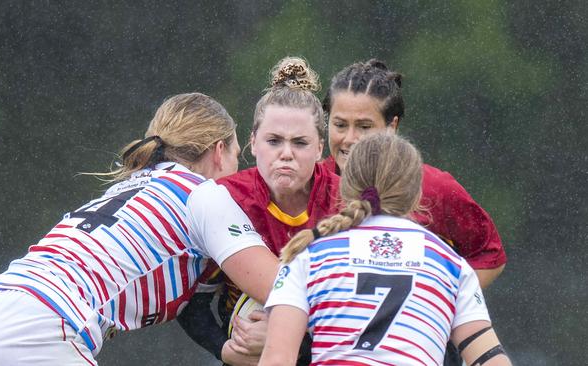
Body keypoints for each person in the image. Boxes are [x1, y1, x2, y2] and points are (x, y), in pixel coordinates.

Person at [0, 93, 280, 365]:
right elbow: (284, 289)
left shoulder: (128, 187)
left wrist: (223, 348)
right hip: (35, 329)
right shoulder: (203, 194)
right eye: (237, 156)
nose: (238, 171)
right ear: (219, 152)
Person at [259, 132, 512, 366]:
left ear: (346, 186)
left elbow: (277, 359)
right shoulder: (451, 264)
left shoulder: (308, 254)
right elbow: (489, 358)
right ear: (416, 194)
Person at [177, 57, 341, 365]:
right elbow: (191, 301)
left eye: (301, 143)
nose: (286, 154)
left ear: (321, 148)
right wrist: (224, 349)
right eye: (274, 141)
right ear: (253, 142)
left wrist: (293, 338)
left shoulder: (348, 203)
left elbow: (367, 312)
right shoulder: (224, 199)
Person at [320, 58, 506, 289]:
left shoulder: (434, 187)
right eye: (340, 125)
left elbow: (489, 255)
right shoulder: (311, 183)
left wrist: (449, 310)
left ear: (392, 127)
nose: (349, 139)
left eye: (364, 127)